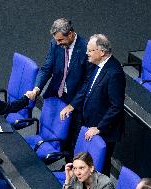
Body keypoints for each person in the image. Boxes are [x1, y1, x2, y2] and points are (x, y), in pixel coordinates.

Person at [27, 18, 93, 161]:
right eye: (56, 40)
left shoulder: (86, 48)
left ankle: (70, 166)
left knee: (73, 136)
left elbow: (88, 82)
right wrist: (36, 89)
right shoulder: (55, 44)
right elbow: (46, 68)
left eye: (60, 40)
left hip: (76, 100)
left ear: (70, 34)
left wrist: (73, 105)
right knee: (57, 131)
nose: (58, 43)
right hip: (58, 94)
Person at [61, 34, 126, 176]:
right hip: (90, 123)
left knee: (100, 168)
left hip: (104, 130)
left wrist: (99, 128)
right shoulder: (97, 65)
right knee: (89, 164)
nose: (87, 53)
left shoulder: (114, 73)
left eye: (90, 50)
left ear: (101, 52)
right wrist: (72, 105)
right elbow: (87, 88)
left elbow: (116, 106)